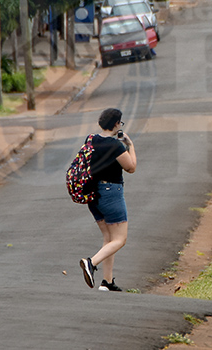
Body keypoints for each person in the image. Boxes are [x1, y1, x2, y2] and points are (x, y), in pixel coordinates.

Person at [78, 108, 137, 291]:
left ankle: (107, 282)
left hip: (93, 195)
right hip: (110, 192)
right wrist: (131, 146)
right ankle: (91, 263)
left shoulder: (91, 140)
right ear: (117, 125)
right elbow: (131, 167)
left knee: (109, 238)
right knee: (120, 239)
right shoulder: (115, 146)